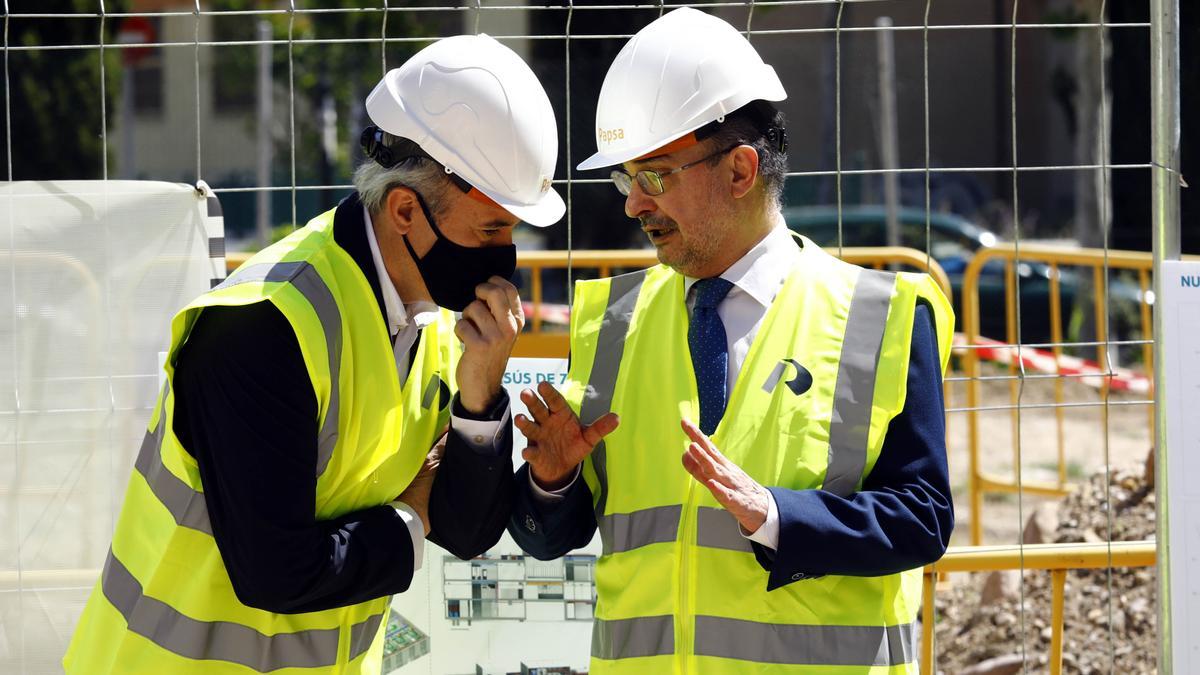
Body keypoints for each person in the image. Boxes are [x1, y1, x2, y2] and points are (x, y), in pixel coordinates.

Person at [65, 33, 564, 674]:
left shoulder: (439, 329)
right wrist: (411, 516)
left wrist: (479, 396)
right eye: (492, 228)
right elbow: (278, 573)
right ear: (406, 209)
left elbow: (466, 531)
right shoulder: (264, 327)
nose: (506, 254)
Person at [507, 8, 955, 674]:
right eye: (627, 179)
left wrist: (778, 516)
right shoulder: (611, 322)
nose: (634, 204)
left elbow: (922, 516)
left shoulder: (879, 317)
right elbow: (550, 537)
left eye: (654, 176)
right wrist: (552, 480)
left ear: (741, 170)